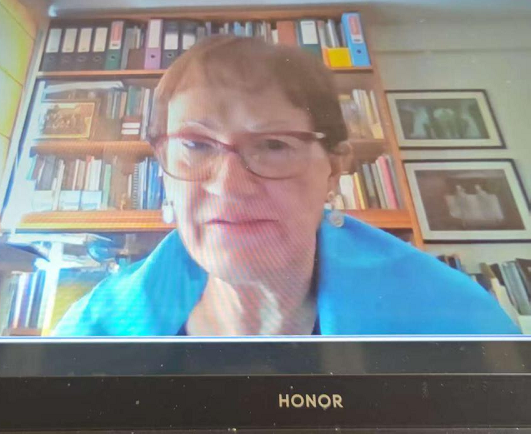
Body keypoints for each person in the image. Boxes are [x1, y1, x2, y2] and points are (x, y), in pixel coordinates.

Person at [53, 36, 519, 336]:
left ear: (333, 170)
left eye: (273, 144)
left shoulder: (457, 326)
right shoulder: (88, 338)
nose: (229, 186)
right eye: (195, 145)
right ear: (163, 171)